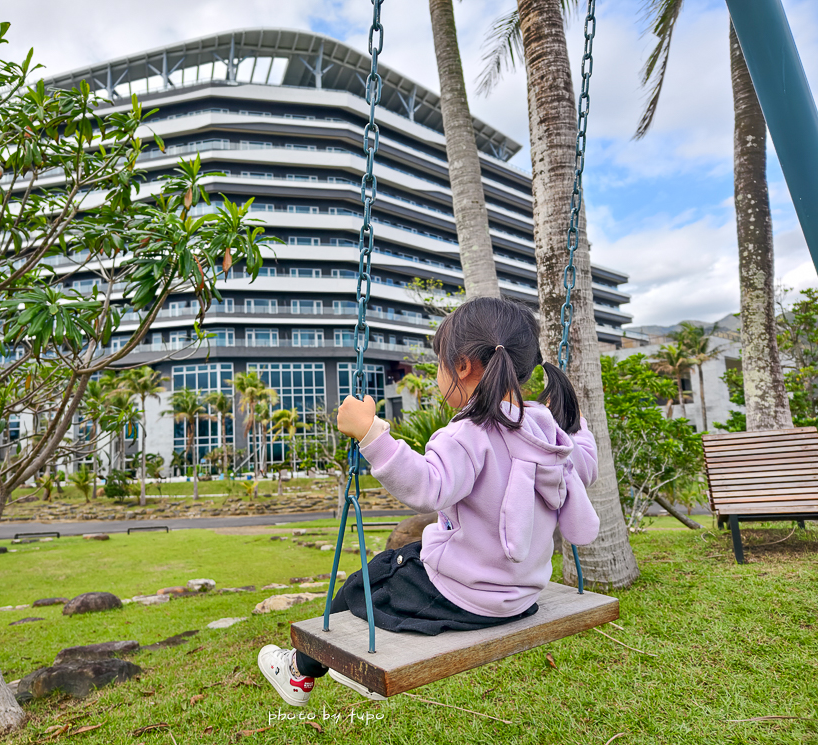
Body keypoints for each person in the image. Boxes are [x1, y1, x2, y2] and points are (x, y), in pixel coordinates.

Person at [257, 297, 601, 706]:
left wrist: (371, 434)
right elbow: (586, 465)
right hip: (521, 595)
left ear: (461, 367)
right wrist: (575, 425)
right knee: (406, 562)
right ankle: (341, 670)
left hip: (468, 595)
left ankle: (298, 671)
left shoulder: (468, 434)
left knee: (367, 582)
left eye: (438, 364)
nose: (438, 376)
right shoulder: (549, 431)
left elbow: (427, 486)